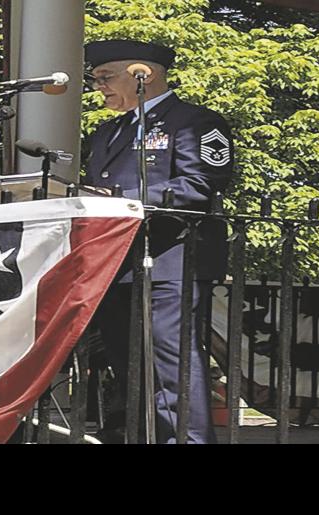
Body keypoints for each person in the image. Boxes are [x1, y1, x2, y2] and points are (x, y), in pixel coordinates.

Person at [83, 39, 234, 444]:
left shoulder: (194, 122)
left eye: (105, 77)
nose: (98, 86)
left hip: (173, 256)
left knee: (172, 359)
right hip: (115, 260)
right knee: (127, 362)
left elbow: (200, 185)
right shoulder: (106, 133)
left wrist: (124, 203)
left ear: (142, 74)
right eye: (95, 78)